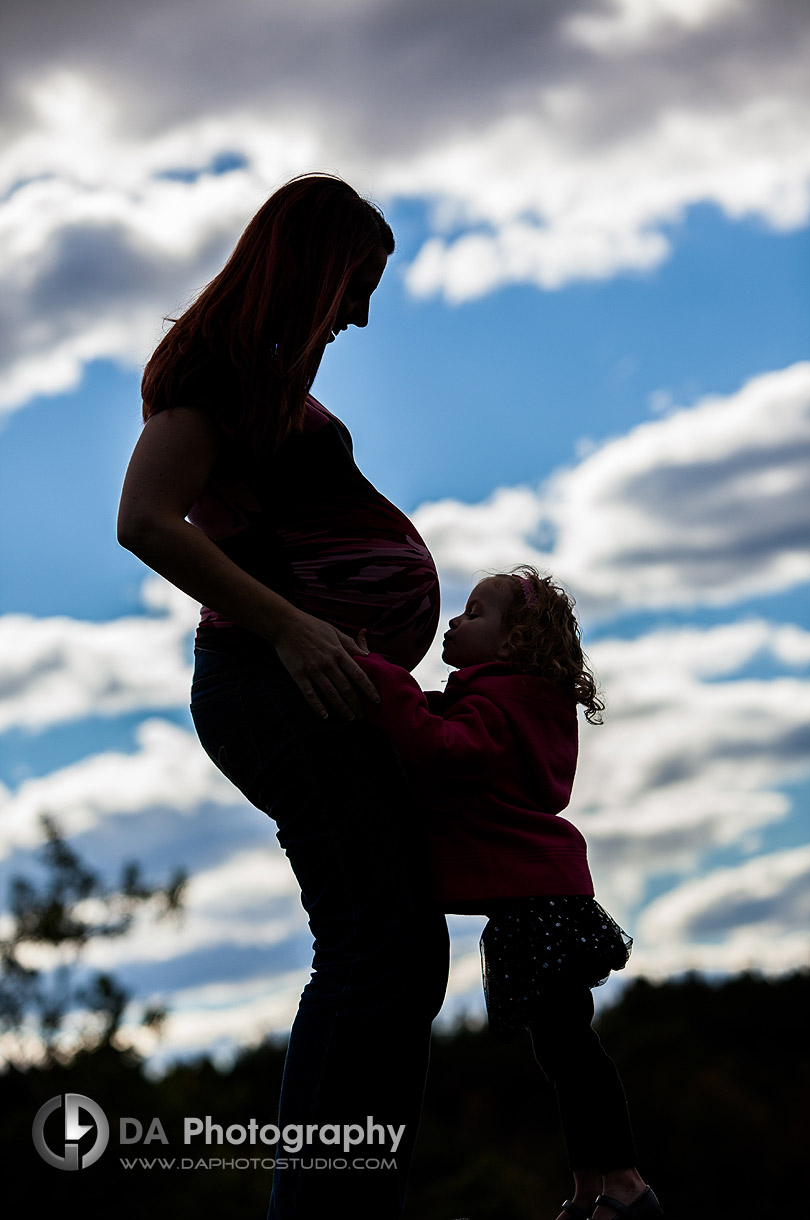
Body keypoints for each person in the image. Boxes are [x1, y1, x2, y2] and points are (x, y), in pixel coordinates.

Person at [117, 173, 450, 1220]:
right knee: (375, 944)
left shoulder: (265, 380)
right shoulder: (213, 373)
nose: (360, 312)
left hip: (311, 682)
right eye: (358, 282)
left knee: (398, 943)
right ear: (313, 266)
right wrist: (294, 625)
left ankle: (347, 1198)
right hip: (269, 681)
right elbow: (144, 519)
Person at [356, 566, 664, 1220]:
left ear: (514, 641)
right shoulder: (507, 699)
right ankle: (589, 1190)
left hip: (536, 902)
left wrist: (384, 678)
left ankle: (627, 1186)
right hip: (538, 898)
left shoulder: (498, 706)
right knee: (561, 1051)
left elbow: (440, 748)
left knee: (572, 1052)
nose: (454, 621)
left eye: (473, 613)